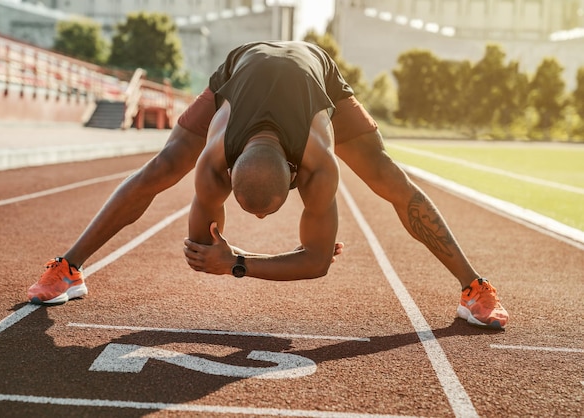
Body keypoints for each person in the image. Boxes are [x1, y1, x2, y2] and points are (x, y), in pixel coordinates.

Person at [28, 41, 509, 330]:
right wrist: (225, 255)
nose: (258, 221)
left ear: (297, 176)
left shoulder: (319, 162)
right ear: (228, 174)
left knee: (390, 179)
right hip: (241, 69)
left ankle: (474, 287)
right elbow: (200, 250)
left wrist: (237, 264)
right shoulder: (213, 160)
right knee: (161, 166)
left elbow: (317, 263)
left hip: (315, 72)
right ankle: (68, 268)